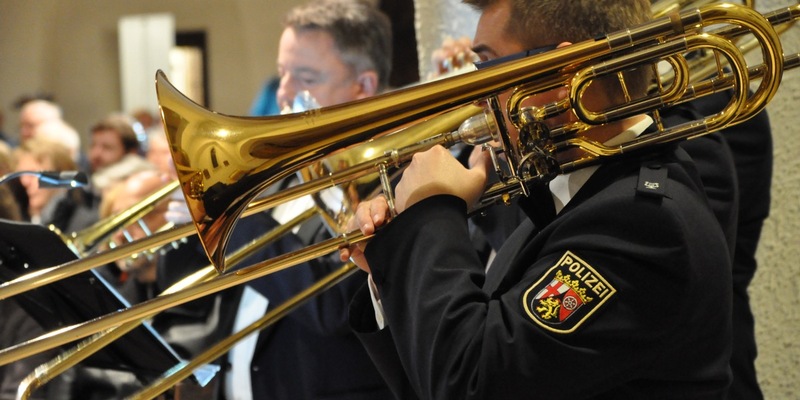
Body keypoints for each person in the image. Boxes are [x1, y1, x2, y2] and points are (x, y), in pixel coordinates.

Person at [341, 0, 733, 398]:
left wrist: (431, 215)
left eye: (490, 68)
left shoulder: (645, 225)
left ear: (561, 73)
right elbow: (432, 381)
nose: (478, 99)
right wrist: (395, 260)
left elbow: (471, 383)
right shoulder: (567, 200)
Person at [159, 1, 395, 399]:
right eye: (282, 73)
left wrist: (235, 223)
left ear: (364, 87)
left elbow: (340, 305)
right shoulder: (285, 172)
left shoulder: (389, 176)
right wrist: (192, 235)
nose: (283, 93)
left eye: (304, 77)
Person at [13, 136, 98, 234]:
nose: (24, 182)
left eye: (33, 174)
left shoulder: (84, 222)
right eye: (20, 175)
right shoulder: (18, 217)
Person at [87, 113, 154, 195]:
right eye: (93, 145)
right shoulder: (87, 177)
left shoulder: (143, 182)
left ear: (130, 152)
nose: (96, 153)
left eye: (107, 147)